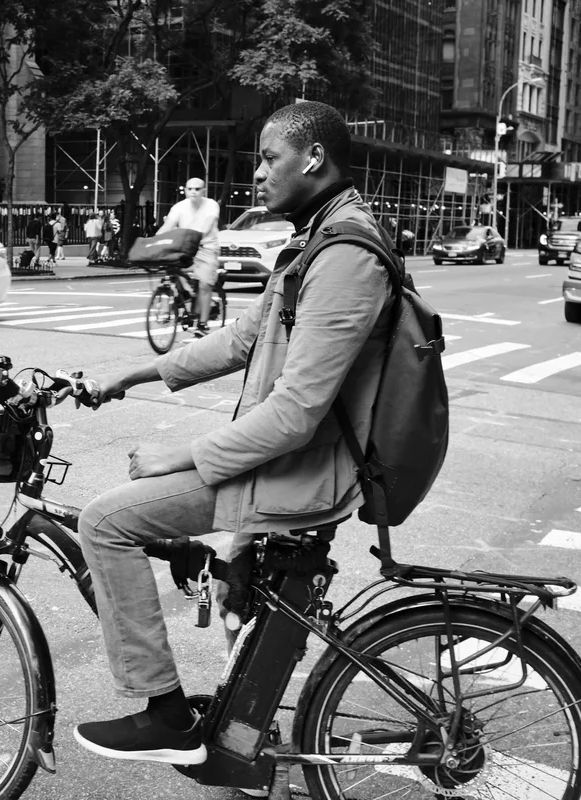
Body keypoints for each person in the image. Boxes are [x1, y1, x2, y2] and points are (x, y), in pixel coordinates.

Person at [70, 100, 395, 769]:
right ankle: (241, 740)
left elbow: (296, 413)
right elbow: (240, 340)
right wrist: (132, 374)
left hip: (302, 472)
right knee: (231, 582)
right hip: (290, 462)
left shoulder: (346, 254)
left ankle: (164, 715)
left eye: (270, 158)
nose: (258, 174)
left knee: (105, 523)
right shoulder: (315, 239)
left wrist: (178, 452)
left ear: (313, 158)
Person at [156, 178, 221, 338]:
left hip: (206, 248)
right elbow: (168, 225)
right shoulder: (179, 207)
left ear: (203, 191)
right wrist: (155, 239)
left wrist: (196, 238)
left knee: (205, 285)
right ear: (185, 190)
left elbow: (207, 224)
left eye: (197, 189)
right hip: (185, 247)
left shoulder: (211, 205)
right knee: (170, 269)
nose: (193, 191)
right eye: (190, 188)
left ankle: (202, 323)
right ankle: (184, 294)